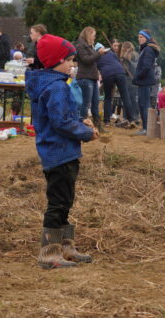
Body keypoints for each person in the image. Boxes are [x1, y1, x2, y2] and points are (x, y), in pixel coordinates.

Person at [25, 35, 98, 269]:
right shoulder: (56, 87)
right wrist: (85, 133)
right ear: (56, 61)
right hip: (59, 153)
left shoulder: (53, 84)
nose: (73, 65)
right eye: (69, 61)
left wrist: (80, 121)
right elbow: (61, 123)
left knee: (65, 200)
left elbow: (64, 117)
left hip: (60, 152)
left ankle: (65, 246)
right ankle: (49, 254)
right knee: (58, 203)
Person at [96, 41, 135, 128]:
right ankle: (131, 119)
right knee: (125, 96)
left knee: (108, 98)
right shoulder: (111, 53)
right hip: (120, 73)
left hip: (107, 75)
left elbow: (97, 70)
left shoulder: (96, 57)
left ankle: (106, 121)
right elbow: (118, 63)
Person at [132, 30, 160, 136]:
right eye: (138, 37)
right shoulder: (146, 49)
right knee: (143, 104)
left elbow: (146, 66)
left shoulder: (148, 50)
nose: (139, 39)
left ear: (147, 38)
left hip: (145, 81)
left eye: (141, 37)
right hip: (144, 81)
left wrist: (138, 76)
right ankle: (146, 127)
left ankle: (146, 128)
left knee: (144, 105)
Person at [73, 26, 102, 130]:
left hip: (92, 77)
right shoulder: (80, 45)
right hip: (85, 77)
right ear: (88, 35)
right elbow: (86, 60)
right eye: (93, 36)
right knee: (86, 103)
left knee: (95, 103)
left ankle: (98, 126)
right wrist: (98, 53)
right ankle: (82, 125)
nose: (94, 38)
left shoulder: (89, 46)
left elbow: (93, 60)